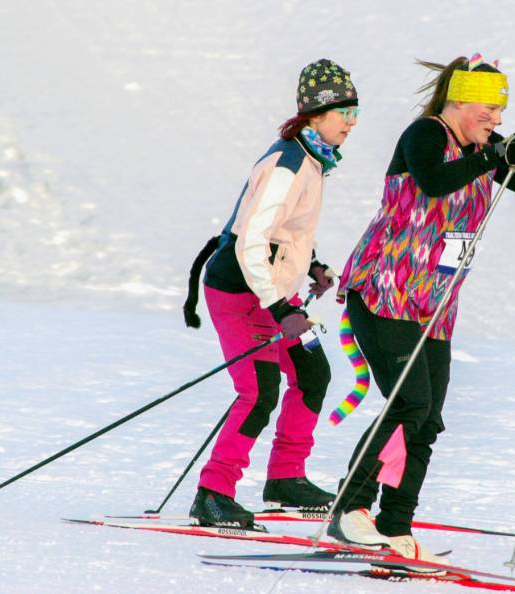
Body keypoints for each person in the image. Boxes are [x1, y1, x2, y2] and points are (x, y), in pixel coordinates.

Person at [328, 54, 515, 563]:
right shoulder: (425, 134)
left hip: (433, 305)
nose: (497, 120)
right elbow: (433, 182)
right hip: (385, 290)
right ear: (459, 100)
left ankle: (395, 524)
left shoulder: (486, 151)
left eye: (501, 112)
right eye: (488, 109)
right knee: (408, 405)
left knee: (428, 419)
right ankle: (351, 510)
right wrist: (495, 156)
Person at [181, 58, 360, 529]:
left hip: (274, 294)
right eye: (344, 110)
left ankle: (285, 481)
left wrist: (313, 263)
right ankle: (212, 494)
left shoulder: (313, 156)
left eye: (354, 110)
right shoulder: (289, 163)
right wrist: (281, 308)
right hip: (241, 294)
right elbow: (251, 242)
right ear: (317, 114)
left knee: (313, 372)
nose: (352, 120)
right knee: (258, 392)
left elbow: (287, 229)